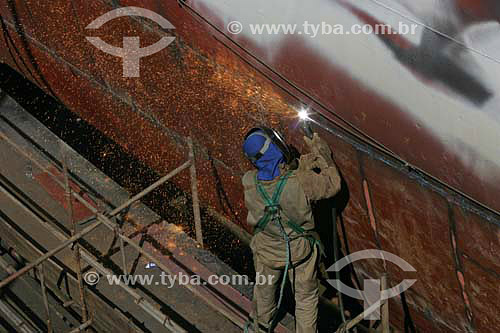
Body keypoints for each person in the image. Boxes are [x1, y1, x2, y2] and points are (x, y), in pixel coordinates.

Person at [242, 127, 341, 333]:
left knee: (264, 291)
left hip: (267, 250)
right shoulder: (302, 182)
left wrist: (301, 165)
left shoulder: (249, 181)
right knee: (305, 299)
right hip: (298, 252)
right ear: (276, 148)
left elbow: (277, 178)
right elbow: (332, 185)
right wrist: (323, 156)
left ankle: (260, 327)